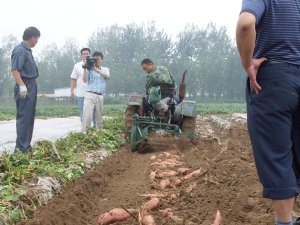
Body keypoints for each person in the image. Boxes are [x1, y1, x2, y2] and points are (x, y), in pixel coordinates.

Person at [236, 1, 300, 225]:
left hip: (274, 80)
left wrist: (248, 64)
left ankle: (284, 222)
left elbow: (246, 23)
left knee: (276, 155)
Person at [11, 27, 40, 153]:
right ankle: (21, 148)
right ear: (32, 37)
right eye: (37, 38)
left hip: (31, 85)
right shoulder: (20, 50)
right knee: (24, 117)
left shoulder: (28, 51)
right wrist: (22, 86)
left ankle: (25, 145)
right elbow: (15, 70)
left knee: (29, 117)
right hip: (25, 85)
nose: (37, 41)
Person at [81, 52, 110, 132]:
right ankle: (84, 134)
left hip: (100, 96)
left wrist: (96, 70)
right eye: (95, 59)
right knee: (87, 116)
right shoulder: (89, 69)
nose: (97, 61)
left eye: (98, 59)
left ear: (102, 60)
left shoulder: (105, 69)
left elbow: (107, 76)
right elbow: (84, 80)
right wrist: (84, 69)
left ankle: (99, 135)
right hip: (90, 94)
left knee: (99, 118)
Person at [70, 48, 95, 126]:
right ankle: (85, 130)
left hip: (92, 91)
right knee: (82, 112)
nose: (85, 55)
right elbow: (73, 78)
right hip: (81, 93)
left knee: (94, 112)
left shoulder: (94, 64)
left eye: (87, 53)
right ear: (81, 55)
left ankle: (95, 130)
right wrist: (72, 90)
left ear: (89, 54)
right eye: (84, 54)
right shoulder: (77, 65)